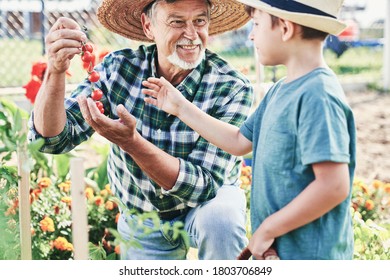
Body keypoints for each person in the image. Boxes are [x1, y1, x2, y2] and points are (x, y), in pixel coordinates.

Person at [28, 0, 254, 260]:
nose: (191, 35)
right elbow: (53, 140)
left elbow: (202, 187)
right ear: (149, 26)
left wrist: (132, 143)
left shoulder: (231, 86)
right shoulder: (119, 69)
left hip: (205, 206)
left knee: (221, 218)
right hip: (143, 216)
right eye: (177, 22)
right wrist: (55, 70)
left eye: (199, 21)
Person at [142, 0, 357, 260]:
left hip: (313, 256)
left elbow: (334, 185)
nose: (252, 34)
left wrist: (268, 228)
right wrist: (180, 106)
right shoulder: (281, 89)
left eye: (256, 24)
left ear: (286, 28)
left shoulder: (318, 95)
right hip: (282, 251)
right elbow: (239, 140)